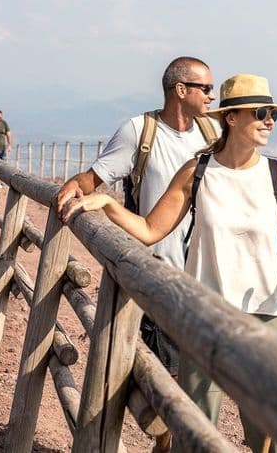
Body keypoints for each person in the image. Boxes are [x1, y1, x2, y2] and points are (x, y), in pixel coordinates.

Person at [64, 73, 277, 453]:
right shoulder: (197, 172)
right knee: (197, 426)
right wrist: (108, 204)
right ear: (231, 118)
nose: (269, 121)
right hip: (205, 314)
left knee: (269, 433)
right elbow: (151, 229)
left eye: (274, 115)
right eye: (261, 113)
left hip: (268, 314)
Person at [56, 56, 218, 452]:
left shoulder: (211, 134)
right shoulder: (139, 132)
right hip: (156, 274)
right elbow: (95, 177)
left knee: (187, 389)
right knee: (166, 393)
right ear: (181, 90)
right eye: (206, 88)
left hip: (201, 278)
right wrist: (75, 187)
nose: (212, 96)